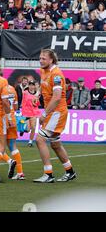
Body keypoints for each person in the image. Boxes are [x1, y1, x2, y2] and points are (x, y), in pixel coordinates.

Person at [34, 49, 76, 183]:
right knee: (55, 144)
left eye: (43, 59)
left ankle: (48, 174)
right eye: (40, 58)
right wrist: (37, 94)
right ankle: (70, 172)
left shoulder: (57, 74)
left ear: (51, 60)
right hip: (52, 111)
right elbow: (43, 86)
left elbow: (57, 97)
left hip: (57, 112)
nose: (41, 60)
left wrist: (44, 114)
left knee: (40, 139)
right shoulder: (43, 71)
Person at [4, 84, 25, 180]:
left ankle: (9, 161)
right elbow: (16, 107)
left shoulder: (0, 88)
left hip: (2, 118)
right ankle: (20, 173)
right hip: (13, 118)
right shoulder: (12, 89)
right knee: (13, 146)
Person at [21, 81, 41, 147]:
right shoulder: (25, 93)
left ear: (34, 86)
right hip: (26, 112)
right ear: (28, 86)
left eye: (33, 85)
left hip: (34, 112)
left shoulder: (37, 94)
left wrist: (35, 102)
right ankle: (23, 130)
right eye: (30, 85)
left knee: (33, 127)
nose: (31, 86)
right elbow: (22, 102)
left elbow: (37, 104)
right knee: (27, 129)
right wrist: (22, 111)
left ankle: (30, 141)